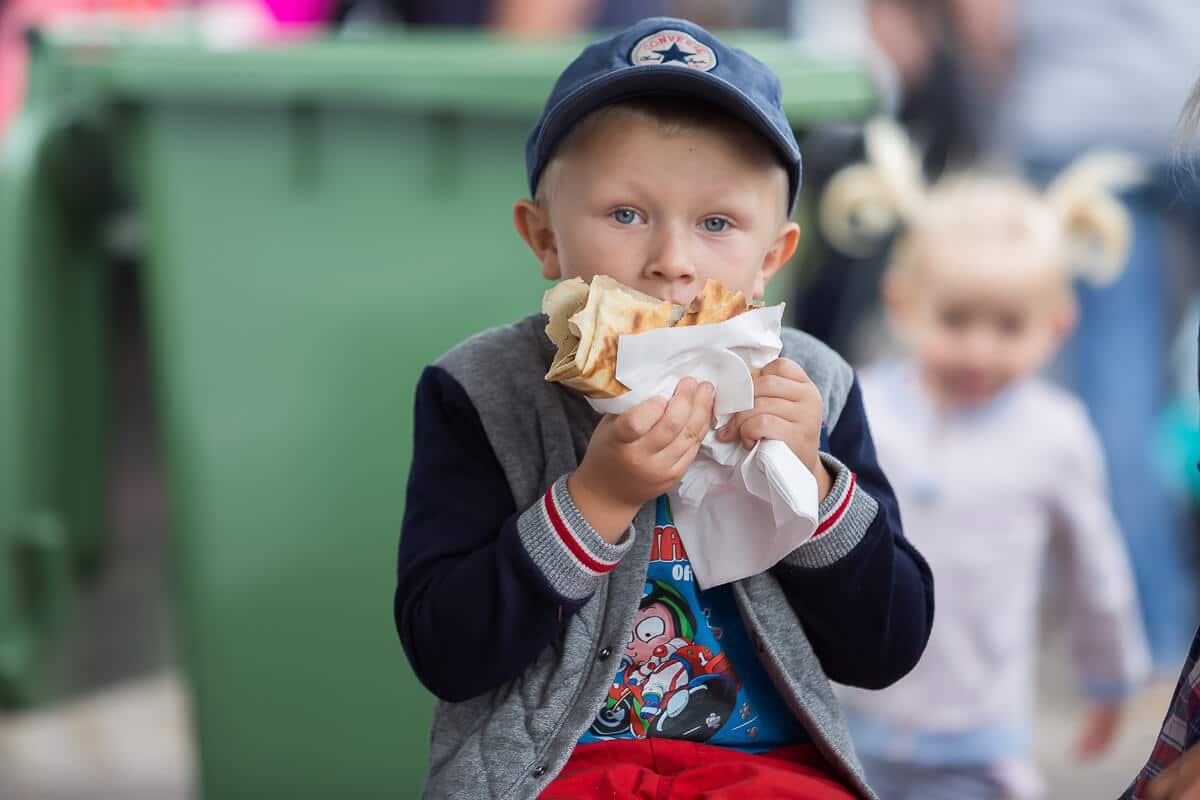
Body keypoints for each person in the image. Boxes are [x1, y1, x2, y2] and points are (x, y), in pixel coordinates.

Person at [393, 17, 934, 799]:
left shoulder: (815, 384)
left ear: (771, 259)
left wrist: (813, 486)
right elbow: (446, 652)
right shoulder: (481, 391)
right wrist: (595, 501)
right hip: (555, 769)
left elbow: (886, 649)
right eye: (625, 214)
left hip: (767, 767)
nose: (672, 263)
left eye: (717, 224)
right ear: (543, 239)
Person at [820, 118, 1151, 800]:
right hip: (851, 723)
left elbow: (1096, 566)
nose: (978, 350)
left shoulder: (1054, 434)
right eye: (955, 320)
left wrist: (1111, 678)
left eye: (1007, 327)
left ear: (1057, 323)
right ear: (904, 303)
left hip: (978, 738)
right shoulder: (863, 407)